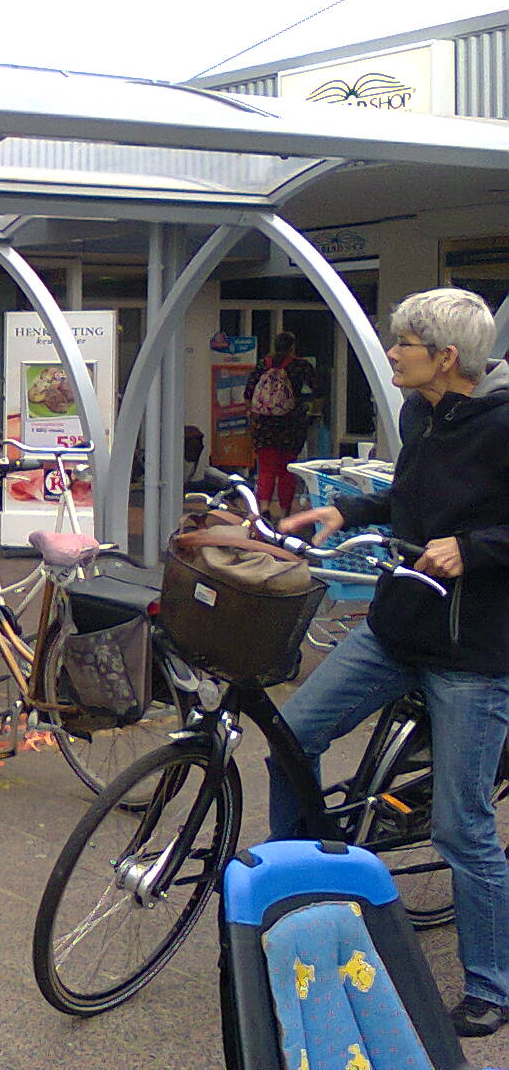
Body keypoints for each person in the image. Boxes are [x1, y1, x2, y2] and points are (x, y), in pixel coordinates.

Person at [272, 288, 509, 1039]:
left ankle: (491, 985)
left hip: (472, 653)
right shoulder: (421, 414)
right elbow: (410, 497)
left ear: (445, 357)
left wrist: (476, 549)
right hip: (396, 626)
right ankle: (300, 888)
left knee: (461, 828)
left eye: (404, 342)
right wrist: (352, 509)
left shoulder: (504, 424)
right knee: (288, 737)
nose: (392, 352)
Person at [244, 331, 315, 520]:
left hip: (264, 426)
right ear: (292, 347)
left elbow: (248, 393)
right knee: (286, 470)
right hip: (292, 425)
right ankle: (284, 512)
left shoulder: (262, 365)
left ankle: (264, 507)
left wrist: (253, 416)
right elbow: (319, 391)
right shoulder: (301, 366)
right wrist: (312, 410)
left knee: (266, 469)